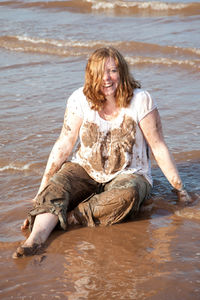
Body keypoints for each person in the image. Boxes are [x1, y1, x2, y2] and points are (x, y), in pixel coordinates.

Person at [12, 47, 191, 258]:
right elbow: (64, 144)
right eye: (100, 73)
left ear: (122, 72)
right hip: (85, 168)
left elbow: (158, 146)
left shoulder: (141, 100)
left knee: (126, 196)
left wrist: (180, 190)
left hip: (130, 173)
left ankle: (70, 217)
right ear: (90, 75)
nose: (106, 78)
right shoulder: (79, 99)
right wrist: (41, 192)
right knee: (56, 188)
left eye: (113, 71)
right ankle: (35, 240)